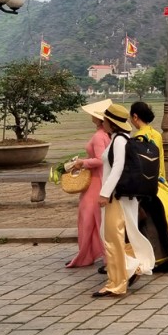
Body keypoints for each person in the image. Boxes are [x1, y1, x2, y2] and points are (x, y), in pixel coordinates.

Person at [93, 103, 155, 298]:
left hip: (115, 197)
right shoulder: (121, 139)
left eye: (105, 120)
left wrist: (104, 193)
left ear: (110, 122)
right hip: (118, 196)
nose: (103, 122)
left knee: (113, 240)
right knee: (116, 237)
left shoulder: (119, 141)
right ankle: (130, 268)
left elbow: (117, 168)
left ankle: (116, 283)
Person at [129, 101, 168, 273]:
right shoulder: (156, 134)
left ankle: (153, 258)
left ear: (135, 117)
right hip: (159, 182)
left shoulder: (138, 139)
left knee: (147, 224)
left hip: (146, 185)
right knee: (163, 221)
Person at [66, 99, 112, 269]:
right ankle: (91, 254)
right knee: (96, 219)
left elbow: (100, 159)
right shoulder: (106, 135)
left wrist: (82, 162)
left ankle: (96, 256)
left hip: (96, 181)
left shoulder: (99, 136)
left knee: (89, 219)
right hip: (99, 179)